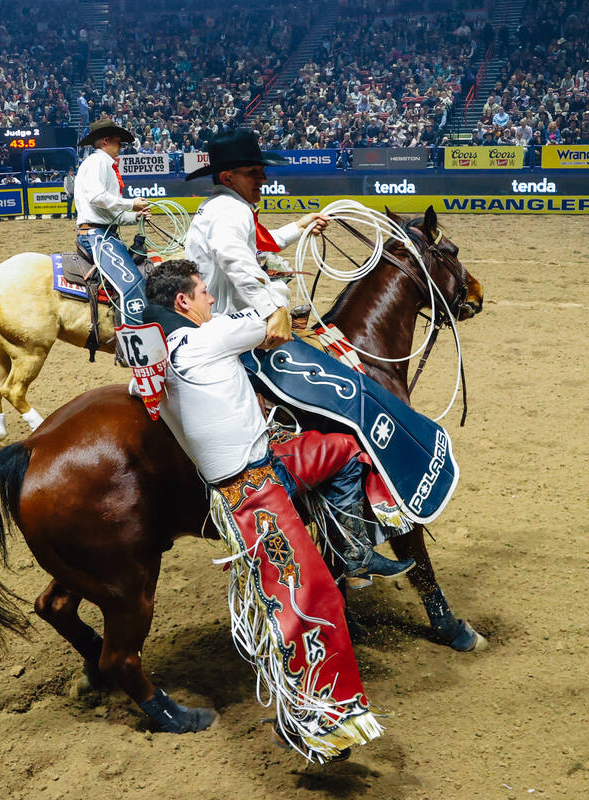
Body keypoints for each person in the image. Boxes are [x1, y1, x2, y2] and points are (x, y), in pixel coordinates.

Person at [184, 130, 479, 640]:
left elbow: (263, 245)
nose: (264, 178)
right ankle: (356, 542)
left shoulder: (222, 208)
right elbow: (238, 262)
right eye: (255, 172)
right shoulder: (230, 213)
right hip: (244, 330)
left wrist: (303, 226)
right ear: (228, 175)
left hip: (227, 323)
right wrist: (274, 305)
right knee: (352, 406)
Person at [138, 259, 397, 761]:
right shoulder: (206, 340)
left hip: (264, 467)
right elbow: (275, 317)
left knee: (345, 449)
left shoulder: (156, 359)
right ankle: (313, 719)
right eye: (204, 293)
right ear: (182, 303)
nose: (212, 300)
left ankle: (354, 547)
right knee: (311, 602)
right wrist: (272, 282)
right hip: (253, 498)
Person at [74, 118, 150, 323]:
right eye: (119, 143)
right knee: (133, 284)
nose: (121, 148)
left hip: (102, 231)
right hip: (97, 236)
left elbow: (108, 213)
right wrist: (131, 204)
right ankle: (135, 336)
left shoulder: (100, 163)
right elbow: (97, 198)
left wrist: (135, 216)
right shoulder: (98, 162)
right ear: (106, 141)